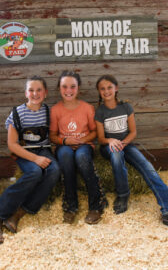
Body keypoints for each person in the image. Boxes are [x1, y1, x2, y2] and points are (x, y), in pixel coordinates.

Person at [94, 74, 168, 231]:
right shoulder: (100, 111)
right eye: (102, 89)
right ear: (99, 92)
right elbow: (100, 138)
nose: (106, 91)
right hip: (109, 147)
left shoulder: (126, 107)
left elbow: (133, 132)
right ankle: (123, 195)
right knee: (116, 155)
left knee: (147, 167)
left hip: (127, 144)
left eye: (109, 87)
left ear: (116, 88)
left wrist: (123, 143)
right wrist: (111, 141)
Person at [0, 76, 60, 246]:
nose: (35, 93)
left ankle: (20, 212)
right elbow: (12, 145)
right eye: (31, 90)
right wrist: (36, 159)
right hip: (24, 151)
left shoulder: (49, 111)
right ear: (26, 93)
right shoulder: (17, 113)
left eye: (39, 90)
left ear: (45, 93)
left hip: (43, 150)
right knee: (34, 172)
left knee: (54, 170)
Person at [50, 70, 107, 225]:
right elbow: (53, 136)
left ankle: (96, 205)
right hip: (65, 146)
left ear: (78, 88)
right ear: (59, 88)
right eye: (64, 86)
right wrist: (65, 141)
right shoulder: (55, 110)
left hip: (84, 145)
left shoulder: (87, 108)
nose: (68, 91)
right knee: (66, 157)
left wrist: (82, 139)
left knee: (82, 157)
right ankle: (70, 206)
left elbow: (95, 131)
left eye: (72, 86)